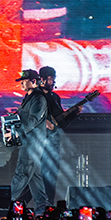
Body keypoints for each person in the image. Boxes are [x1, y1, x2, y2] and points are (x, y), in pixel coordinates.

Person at [7, 69, 50, 213]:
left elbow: (32, 121)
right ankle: (42, 209)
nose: (21, 84)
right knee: (35, 177)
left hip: (33, 143)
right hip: (30, 142)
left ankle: (6, 204)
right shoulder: (29, 97)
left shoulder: (38, 99)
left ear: (33, 81)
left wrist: (15, 132)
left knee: (22, 174)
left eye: (24, 81)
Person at [38, 66, 75, 205]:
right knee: (40, 174)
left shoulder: (55, 97)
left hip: (54, 141)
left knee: (52, 172)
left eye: (54, 78)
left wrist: (73, 114)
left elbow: (62, 122)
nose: (53, 81)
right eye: (51, 78)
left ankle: (50, 203)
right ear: (42, 79)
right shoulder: (34, 97)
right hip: (39, 142)